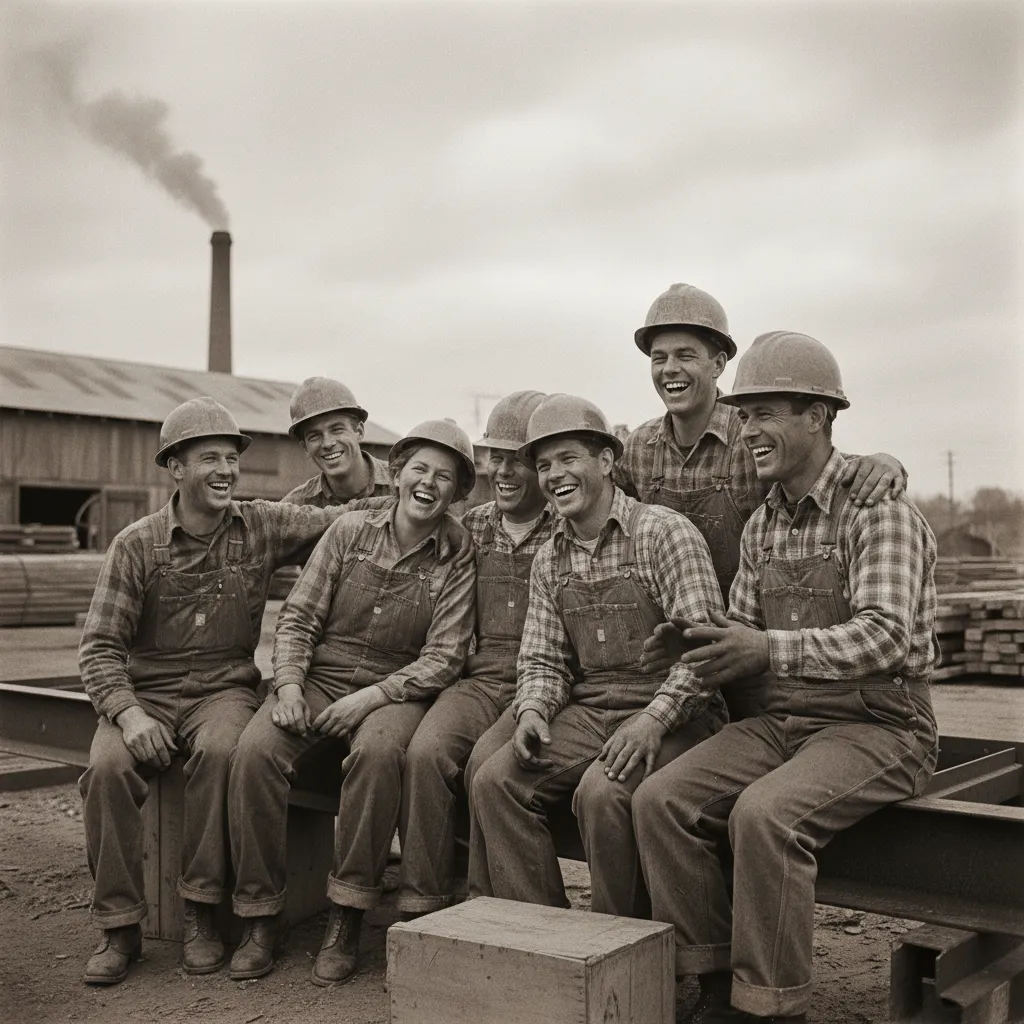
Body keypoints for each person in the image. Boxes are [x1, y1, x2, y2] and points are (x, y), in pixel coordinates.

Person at [632, 332, 938, 1024]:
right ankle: (716, 983)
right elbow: (737, 634)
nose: (747, 431)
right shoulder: (762, 526)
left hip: (881, 723)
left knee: (764, 815)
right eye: (743, 415)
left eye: (765, 413)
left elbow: (886, 636)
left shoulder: (880, 512)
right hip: (786, 719)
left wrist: (767, 650)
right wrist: (694, 647)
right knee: (660, 799)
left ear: (819, 416)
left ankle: (771, 1009)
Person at [77, 398, 364, 985]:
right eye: (209, 458)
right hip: (146, 692)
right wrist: (129, 717)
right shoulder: (136, 544)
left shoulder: (260, 524)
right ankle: (118, 926)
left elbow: (344, 518)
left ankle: (201, 913)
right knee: (106, 769)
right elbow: (99, 649)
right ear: (175, 467)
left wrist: (413, 491)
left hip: (224, 691)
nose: (225, 471)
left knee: (222, 754)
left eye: (231, 459)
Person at [227, 420, 478, 986]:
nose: (428, 483)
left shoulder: (457, 553)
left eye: (444, 477)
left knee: (379, 753)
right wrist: (289, 685)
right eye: (419, 469)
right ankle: (259, 916)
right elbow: (299, 617)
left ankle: (347, 914)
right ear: (399, 473)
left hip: (398, 686)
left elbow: (444, 657)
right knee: (255, 752)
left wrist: (370, 698)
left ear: (457, 491)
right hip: (322, 675)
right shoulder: (349, 532)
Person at [468, 394, 727, 918]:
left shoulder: (664, 533)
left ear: (606, 461)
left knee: (601, 794)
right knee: (496, 782)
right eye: (545, 465)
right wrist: (533, 710)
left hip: (677, 711)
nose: (554, 475)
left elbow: (703, 655)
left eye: (568, 459)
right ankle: (545, 936)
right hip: (592, 711)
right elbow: (543, 659)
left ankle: (620, 941)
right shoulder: (551, 557)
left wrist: (653, 721)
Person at [618, 284, 907, 720]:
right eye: (659, 358)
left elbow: (819, 464)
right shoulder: (638, 449)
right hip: (687, 649)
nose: (670, 369)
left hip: (765, 648)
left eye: (685, 355)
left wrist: (886, 463)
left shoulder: (753, 435)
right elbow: (597, 507)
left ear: (719, 364)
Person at [394, 391, 556, 916]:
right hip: (479, 680)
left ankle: (488, 909)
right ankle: (422, 904)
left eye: (518, 460)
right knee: (425, 753)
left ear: (542, 465)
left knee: (487, 763)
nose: (503, 472)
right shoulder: (473, 526)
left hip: (545, 682)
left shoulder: (566, 525)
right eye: (495, 457)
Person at [282, 377, 393, 507]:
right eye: (315, 436)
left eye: (337, 430)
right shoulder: (295, 506)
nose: (327, 443)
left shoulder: (402, 484)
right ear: (305, 447)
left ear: (359, 431)